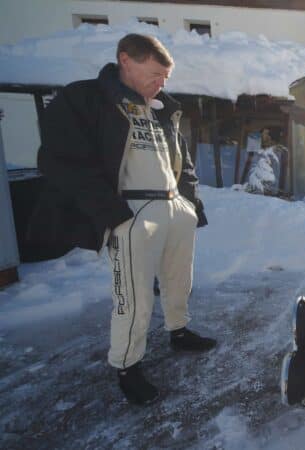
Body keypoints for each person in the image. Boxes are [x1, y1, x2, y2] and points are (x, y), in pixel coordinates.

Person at [29, 34, 216, 405]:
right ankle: (127, 365)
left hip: (173, 205)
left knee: (180, 280)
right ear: (126, 60)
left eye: (166, 77)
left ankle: (179, 331)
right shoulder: (87, 99)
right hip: (132, 209)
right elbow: (63, 161)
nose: (162, 83)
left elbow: (182, 159)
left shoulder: (162, 107)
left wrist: (189, 203)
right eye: (156, 74)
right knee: (133, 295)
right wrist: (112, 214)